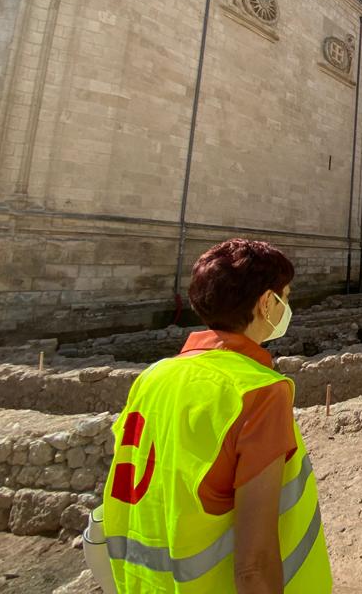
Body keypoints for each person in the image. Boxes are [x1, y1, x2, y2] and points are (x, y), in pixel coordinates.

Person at [100, 239, 332, 592]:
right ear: (267, 303)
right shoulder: (257, 393)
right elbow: (253, 566)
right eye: (286, 296)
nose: (288, 306)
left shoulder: (152, 377)